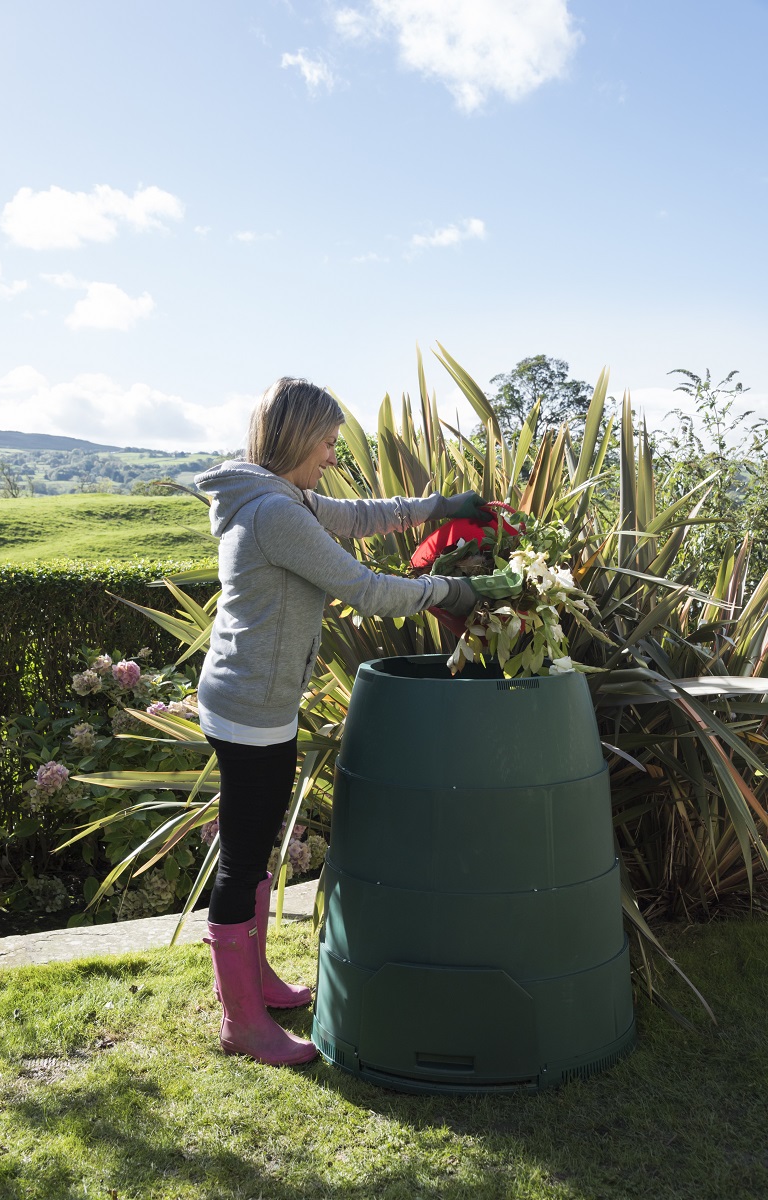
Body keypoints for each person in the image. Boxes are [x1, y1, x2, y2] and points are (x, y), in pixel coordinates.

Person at [194, 376, 482, 1066]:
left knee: (255, 843)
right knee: (242, 856)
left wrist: (438, 505)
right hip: (250, 708)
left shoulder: (281, 497)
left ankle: (253, 982)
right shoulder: (276, 514)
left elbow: (356, 515)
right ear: (298, 439)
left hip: (253, 697)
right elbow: (365, 589)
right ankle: (242, 1023)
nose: (332, 453)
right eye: (326, 441)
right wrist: (457, 590)